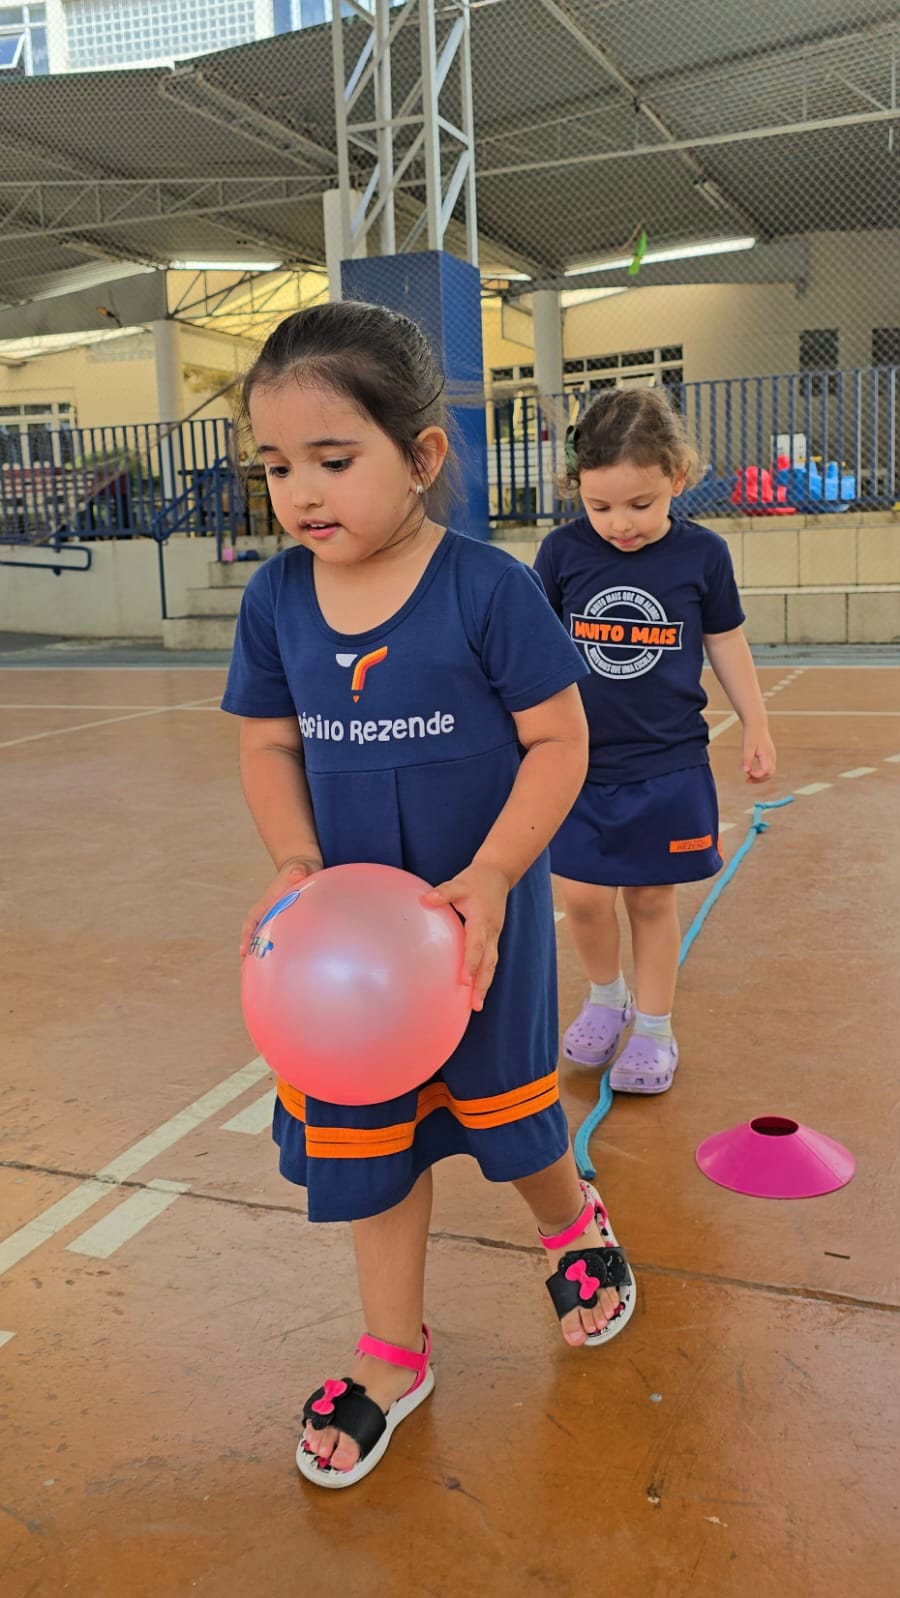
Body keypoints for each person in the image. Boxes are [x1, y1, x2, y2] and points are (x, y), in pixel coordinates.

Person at [221, 302, 637, 1491]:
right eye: (277, 465)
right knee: (370, 1139)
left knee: (511, 1117)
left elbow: (558, 741)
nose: (301, 491)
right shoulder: (277, 600)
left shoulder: (487, 589)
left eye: (332, 459)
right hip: (347, 961)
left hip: (472, 929)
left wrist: (495, 874)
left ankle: (571, 1220)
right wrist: (294, 863)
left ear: (421, 454)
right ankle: (392, 1349)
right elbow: (267, 743)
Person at [534, 388, 776, 1095]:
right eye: (599, 506)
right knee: (582, 896)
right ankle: (607, 998)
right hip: (579, 763)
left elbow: (725, 641)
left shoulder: (702, 555)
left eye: (640, 505)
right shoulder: (561, 552)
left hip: (667, 763)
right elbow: (533, 649)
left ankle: (655, 1028)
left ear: (677, 475)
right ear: (577, 488)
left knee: (649, 900)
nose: (620, 524)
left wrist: (756, 721)